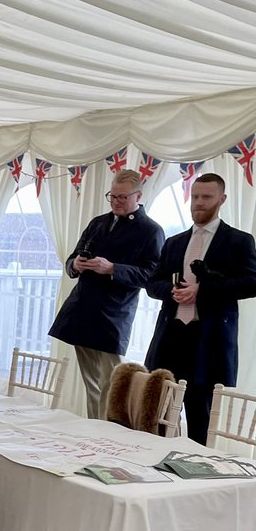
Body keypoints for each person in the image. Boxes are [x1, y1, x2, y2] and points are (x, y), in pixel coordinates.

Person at [145, 173, 256, 444]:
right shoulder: (175, 242)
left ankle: (195, 474)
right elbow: (152, 283)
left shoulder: (239, 241)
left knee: (200, 415)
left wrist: (202, 290)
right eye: (195, 197)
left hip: (209, 339)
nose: (199, 203)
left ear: (222, 199)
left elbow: (252, 282)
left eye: (206, 197)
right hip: (171, 335)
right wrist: (171, 291)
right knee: (158, 412)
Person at [48, 169, 164, 418]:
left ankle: (107, 433)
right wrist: (76, 265)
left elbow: (152, 275)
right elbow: (72, 259)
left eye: (122, 197)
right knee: (90, 384)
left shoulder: (151, 231)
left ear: (138, 196)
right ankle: (93, 428)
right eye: (113, 196)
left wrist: (112, 268)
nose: (116, 202)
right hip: (81, 309)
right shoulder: (98, 222)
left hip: (114, 313)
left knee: (111, 384)